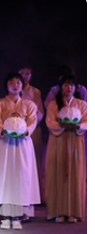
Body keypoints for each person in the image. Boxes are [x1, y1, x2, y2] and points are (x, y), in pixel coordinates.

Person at [0, 73, 41, 230]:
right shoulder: (0, 103)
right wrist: (4, 131)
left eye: (18, 82)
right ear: (6, 85)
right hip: (4, 143)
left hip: (22, 144)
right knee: (4, 175)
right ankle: (5, 214)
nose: (15, 85)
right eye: (11, 82)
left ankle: (18, 214)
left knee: (21, 176)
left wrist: (25, 131)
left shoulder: (29, 104)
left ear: (22, 86)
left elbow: (32, 121)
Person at [44, 75, 87, 223]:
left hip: (75, 139)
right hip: (58, 140)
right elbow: (50, 122)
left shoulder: (82, 104)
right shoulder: (53, 105)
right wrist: (60, 125)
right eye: (66, 85)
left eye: (71, 85)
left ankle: (74, 212)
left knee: (75, 173)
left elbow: (88, 121)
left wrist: (79, 126)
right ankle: (58, 211)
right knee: (57, 172)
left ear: (75, 88)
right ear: (61, 87)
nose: (69, 88)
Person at [18, 66, 47, 201]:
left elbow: (40, 111)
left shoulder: (35, 92)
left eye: (27, 73)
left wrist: (31, 124)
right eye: (22, 73)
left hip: (33, 128)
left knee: (35, 159)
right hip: (16, 129)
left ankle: (36, 195)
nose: (24, 76)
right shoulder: (14, 90)